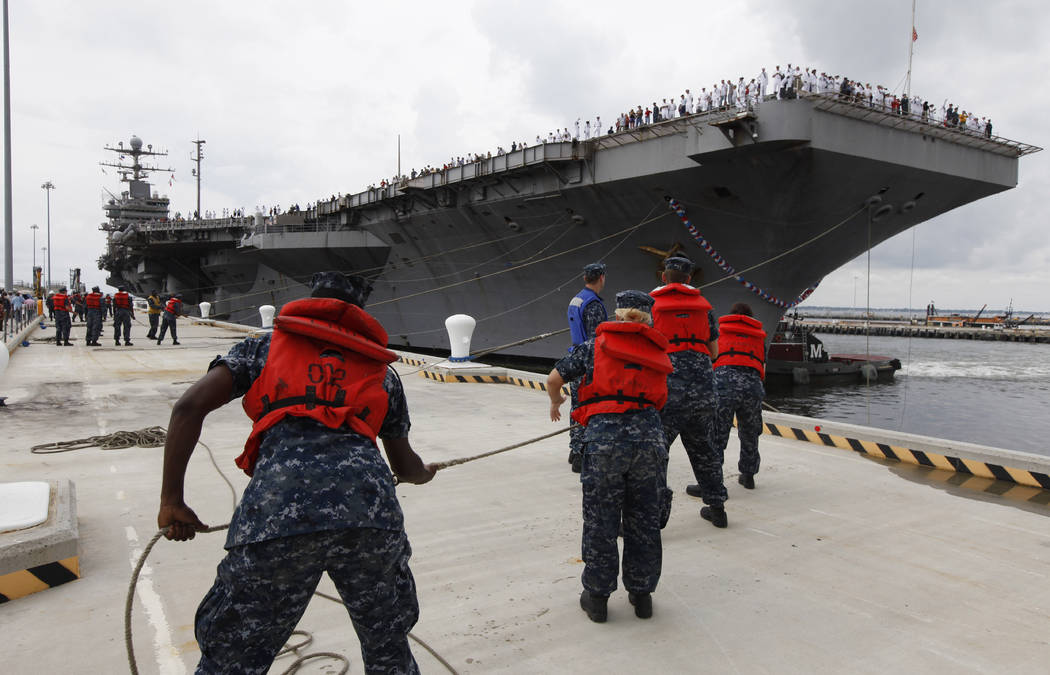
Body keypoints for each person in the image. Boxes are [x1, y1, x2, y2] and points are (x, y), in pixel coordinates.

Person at [157, 271, 436, 673]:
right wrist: (424, 473)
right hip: (371, 520)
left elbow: (188, 407)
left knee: (232, 656)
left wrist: (172, 501)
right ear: (359, 312)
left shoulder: (261, 349)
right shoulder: (382, 371)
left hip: (276, 518)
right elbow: (405, 467)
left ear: (313, 301)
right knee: (388, 648)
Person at [547, 290, 672, 623]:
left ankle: (598, 598)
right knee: (644, 520)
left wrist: (556, 402)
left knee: (601, 520)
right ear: (648, 318)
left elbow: (554, 379)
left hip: (603, 444)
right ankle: (642, 595)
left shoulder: (592, 348)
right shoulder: (659, 349)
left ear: (617, 315)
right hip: (648, 442)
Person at [649, 256, 727, 528]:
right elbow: (715, 351)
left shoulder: (652, 307)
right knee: (705, 450)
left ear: (663, 277)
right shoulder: (705, 310)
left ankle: (656, 516)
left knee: (657, 453)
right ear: (690, 280)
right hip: (704, 391)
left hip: (668, 392)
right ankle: (717, 509)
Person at [711, 303, 768, 489]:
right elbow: (762, 364)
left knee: (718, 434)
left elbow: (712, 357)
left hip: (724, 384)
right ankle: (748, 475)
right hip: (752, 386)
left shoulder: (722, 332)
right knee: (750, 432)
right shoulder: (759, 337)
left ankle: (713, 479)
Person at [565, 262, 609, 473]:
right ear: (601, 278)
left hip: (574, 358)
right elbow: (596, 337)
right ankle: (581, 456)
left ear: (585, 278)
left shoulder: (577, 299)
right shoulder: (594, 305)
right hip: (588, 363)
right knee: (588, 407)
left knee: (575, 407)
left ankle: (574, 449)